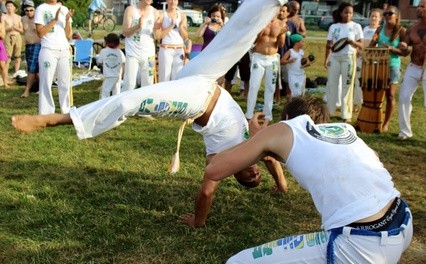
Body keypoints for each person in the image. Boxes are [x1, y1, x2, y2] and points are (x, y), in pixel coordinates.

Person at [12, 0, 289, 227]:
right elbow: (270, 158)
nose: (253, 173)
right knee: (237, 37)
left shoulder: (221, 162)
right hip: (205, 76)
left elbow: (206, 191)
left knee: (133, 100)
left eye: (247, 178)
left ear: (236, 177)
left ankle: (57, 119)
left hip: (194, 100)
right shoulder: (255, 150)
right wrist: (282, 185)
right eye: (257, 175)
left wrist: (198, 221)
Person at [203, 95, 413, 263]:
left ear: (286, 117)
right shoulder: (343, 129)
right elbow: (374, 158)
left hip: (362, 243)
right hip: (401, 220)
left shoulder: (285, 128)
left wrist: (258, 139)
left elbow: (214, 170)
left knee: (239, 262)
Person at [398, 0, 426, 147]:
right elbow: (405, 49)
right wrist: (403, 46)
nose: (419, 8)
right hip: (413, 67)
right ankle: (405, 131)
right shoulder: (412, 28)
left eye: (423, 6)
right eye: (418, 6)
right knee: (403, 97)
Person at [324, 2, 363, 123]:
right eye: (346, 12)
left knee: (347, 85)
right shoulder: (333, 27)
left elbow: (361, 45)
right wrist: (326, 59)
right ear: (341, 13)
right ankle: (329, 111)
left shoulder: (356, 26)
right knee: (332, 84)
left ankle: (346, 114)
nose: (348, 15)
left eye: (351, 13)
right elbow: (328, 44)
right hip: (334, 58)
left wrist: (352, 43)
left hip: (349, 57)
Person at [369, 6, 405, 133]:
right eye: (385, 14)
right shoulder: (380, 29)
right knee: (378, 94)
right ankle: (375, 119)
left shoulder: (401, 31)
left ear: (396, 15)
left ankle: (386, 123)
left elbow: (404, 52)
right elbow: (370, 47)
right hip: (379, 65)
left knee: (390, 95)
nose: (387, 16)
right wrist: (373, 43)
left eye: (390, 13)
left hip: (393, 65)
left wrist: (391, 49)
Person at [34, 0, 73, 115]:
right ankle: (46, 112)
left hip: (64, 49)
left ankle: (66, 110)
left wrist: (66, 21)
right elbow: (40, 33)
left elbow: (69, 35)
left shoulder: (64, 9)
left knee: (65, 82)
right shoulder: (41, 9)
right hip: (48, 50)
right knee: (46, 81)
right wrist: (55, 20)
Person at [245, 17, 287, 121]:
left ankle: (268, 114)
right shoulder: (261, 20)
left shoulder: (280, 24)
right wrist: (261, 31)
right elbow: (253, 40)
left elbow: (281, 45)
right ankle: (249, 113)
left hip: (272, 59)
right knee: (254, 86)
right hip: (258, 57)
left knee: (270, 87)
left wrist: (281, 33)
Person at [121, 0, 160, 92]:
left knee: (148, 83)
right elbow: (125, 32)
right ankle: (123, 104)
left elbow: (157, 37)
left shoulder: (155, 12)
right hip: (133, 53)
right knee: (129, 83)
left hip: (149, 54)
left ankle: (144, 105)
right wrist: (138, 26)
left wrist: (156, 30)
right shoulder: (130, 10)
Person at [353, 8, 382, 112]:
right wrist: (358, 52)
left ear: (380, 19)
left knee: (370, 83)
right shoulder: (364, 29)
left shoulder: (380, 30)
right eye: (372, 16)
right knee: (358, 81)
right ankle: (356, 103)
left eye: (376, 16)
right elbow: (360, 43)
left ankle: (369, 104)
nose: (373, 18)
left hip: (373, 60)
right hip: (361, 58)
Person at [156, 0, 188, 82]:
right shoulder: (162, 15)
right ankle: (162, 95)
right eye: (171, 0)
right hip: (166, 49)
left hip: (179, 49)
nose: (173, 2)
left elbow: (185, 37)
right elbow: (158, 36)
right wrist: (171, 26)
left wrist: (180, 27)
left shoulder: (182, 16)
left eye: (175, 0)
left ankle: (176, 95)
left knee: (177, 78)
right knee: (164, 78)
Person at [274, 2, 297, 103]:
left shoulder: (292, 25)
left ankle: (288, 96)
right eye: (280, 10)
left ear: (288, 13)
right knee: (275, 78)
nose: (281, 13)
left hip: (287, 56)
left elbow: (295, 40)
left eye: (284, 11)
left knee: (288, 78)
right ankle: (277, 97)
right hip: (275, 55)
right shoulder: (274, 24)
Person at [20, 0, 40, 98]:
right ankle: (39, 87)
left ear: (34, 9)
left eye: (31, 10)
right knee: (34, 69)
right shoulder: (23, 19)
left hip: (37, 44)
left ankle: (27, 90)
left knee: (32, 69)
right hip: (28, 46)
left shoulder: (38, 19)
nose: (29, 12)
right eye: (26, 10)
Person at [96, 33, 125, 99]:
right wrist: (123, 74)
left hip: (108, 75)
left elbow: (99, 61)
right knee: (116, 93)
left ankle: (104, 106)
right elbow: (123, 63)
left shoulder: (103, 51)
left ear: (106, 42)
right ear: (118, 43)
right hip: (118, 76)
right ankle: (116, 106)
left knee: (105, 93)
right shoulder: (120, 52)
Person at [3, 1, 23, 76]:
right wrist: (10, 28)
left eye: (11, 6)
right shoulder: (3, 17)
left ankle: (16, 73)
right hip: (8, 36)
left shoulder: (18, 17)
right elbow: (2, 29)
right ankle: (5, 74)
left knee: (17, 56)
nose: (9, 7)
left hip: (17, 36)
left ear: (15, 8)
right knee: (7, 56)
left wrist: (16, 28)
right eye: (7, 6)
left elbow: (22, 30)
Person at [0, 11, 9, 88]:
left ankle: (5, 83)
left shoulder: (1, 24)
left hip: (0, 45)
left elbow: (3, 36)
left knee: (3, 65)